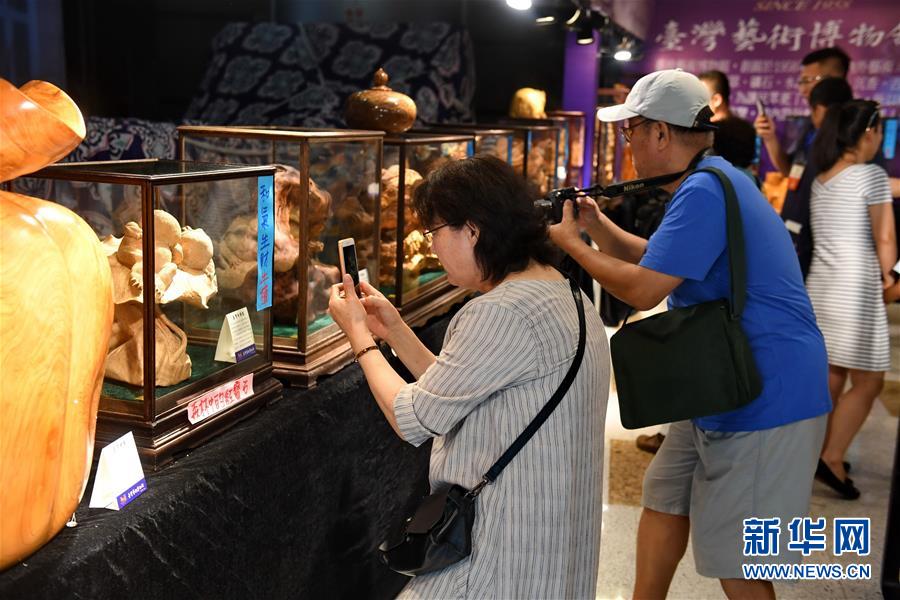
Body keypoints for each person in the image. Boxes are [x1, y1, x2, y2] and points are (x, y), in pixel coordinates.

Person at [549, 69, 831, 599]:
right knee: (664, 496)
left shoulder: (704, 190)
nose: (627, 143)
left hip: (763, 390)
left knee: (739, 559)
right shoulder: (713, 178)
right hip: (718, 377)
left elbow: (644, 289)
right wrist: (596, 226)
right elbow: (660, 260)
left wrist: (573, 245)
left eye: (631, 130)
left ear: (660, 133)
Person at [327, 155, 609, 599]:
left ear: (472, 230)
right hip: (553, 537)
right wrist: (395, 330)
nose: (432, 247)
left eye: (434, 232)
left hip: (502, 550)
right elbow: (457, 389)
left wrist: (359, 337)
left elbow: (413, 417)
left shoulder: (500, 311)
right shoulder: (562, 289)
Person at [806, 100, 894, 499]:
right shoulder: (871, 175)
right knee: (870, 380)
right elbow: (885, 238)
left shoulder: (822, 178)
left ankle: (816, 452)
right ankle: (833, 457)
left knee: (832, 376)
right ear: (869, 132)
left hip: (822, 288)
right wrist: (892, 278)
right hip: (856, 291)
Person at [777, 77, 854, 278]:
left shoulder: (841, 149)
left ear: (819, 109)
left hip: (815, 242)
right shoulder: (811, 135)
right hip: (798, 232)